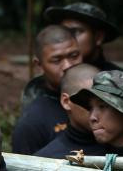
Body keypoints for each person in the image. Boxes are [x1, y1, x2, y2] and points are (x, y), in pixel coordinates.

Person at [12, 25, 82, 154]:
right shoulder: (31, 122)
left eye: (74, 56)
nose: (67, 66)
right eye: (57, 60)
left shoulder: (98, 101)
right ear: (39, 65)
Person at [43, 1, 119, 70]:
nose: (67, 39)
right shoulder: (50, 81)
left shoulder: (117, 82)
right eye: (64, 32)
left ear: (98, 37)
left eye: (75, 32)